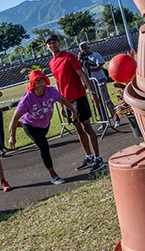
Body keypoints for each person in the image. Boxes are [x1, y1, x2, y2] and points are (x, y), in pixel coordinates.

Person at [45, 34, 106, 173]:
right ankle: (89, 156)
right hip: (67, 100)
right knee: (78, 129)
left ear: (59, 44)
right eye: (50, 43)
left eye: (55, 42)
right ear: (47, 47)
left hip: (78, 96)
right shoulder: (51, 63)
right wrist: (61, 104)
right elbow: (59, 83)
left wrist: (92, 92)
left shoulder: (69, 57)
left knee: (87, 127)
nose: (52, 45)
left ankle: (98, 158)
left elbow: (82, 74)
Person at [8, 70, 78, 185]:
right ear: (32, 84)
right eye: (37, 81)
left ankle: (21, 126)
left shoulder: (50, 91)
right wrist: (12, 137)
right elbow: (14, 118)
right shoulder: (27, 98)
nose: (40, 82)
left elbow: (63, 100)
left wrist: (73, 111)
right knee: (44, 146)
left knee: (42, 138)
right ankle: (53, 175)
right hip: (30, 125)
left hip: (44, 123)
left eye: (41, 80)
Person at [78, 41, 121, 129]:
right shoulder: (83, 59)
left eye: (86, 48)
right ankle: (104, 122)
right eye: (83, 49)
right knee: (97, 102)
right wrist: (79, 59)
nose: (85, 50)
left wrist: (90, 70)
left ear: (89, 47)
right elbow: (79, 68)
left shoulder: (95, 55)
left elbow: (99, 67)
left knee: (106, 99)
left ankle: (116, 118)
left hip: (100, 79)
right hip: (91, 82)